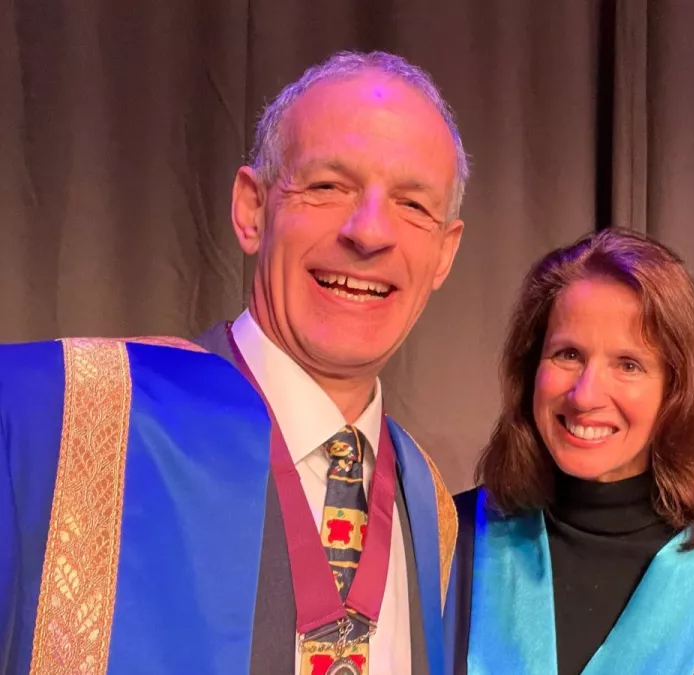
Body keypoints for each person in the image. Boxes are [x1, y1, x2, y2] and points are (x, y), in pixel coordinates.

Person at [0, 50, 464, 675]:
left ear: (444, 254)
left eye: (413, 205)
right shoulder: (56, 422)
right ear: (251, 209)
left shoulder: (429, 506)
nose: (370, 231)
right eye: (328, 186)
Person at [445, 228, 694, 675]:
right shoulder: (446, 544)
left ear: (678, 391)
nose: (585, 395)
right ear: (530, 370)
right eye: (568, 355)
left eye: (628, 365)